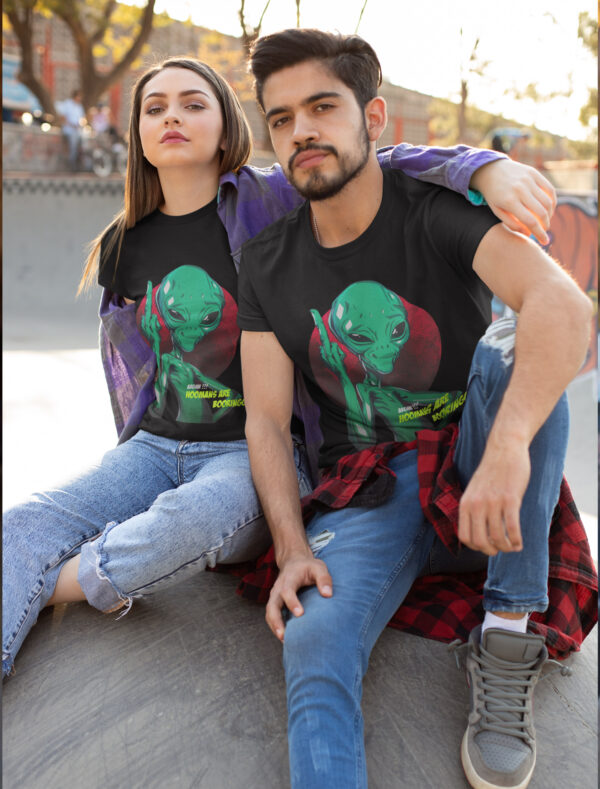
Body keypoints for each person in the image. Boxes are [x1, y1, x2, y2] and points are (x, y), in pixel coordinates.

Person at [3, 55, 557, 682]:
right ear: (138, 134)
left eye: (193, 103)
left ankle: (59, 584)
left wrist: (484, 165)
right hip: (154, 449)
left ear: (227, 122)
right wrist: (126, 458)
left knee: (192, 519)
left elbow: (385, 162)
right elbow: (135, 368)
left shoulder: (269, 196)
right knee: (21, 525)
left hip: (246, 453)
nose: (172, 118)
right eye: (154, 109)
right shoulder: (122, 243)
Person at [237, 29, 596, 789]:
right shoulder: (267, 260)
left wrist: (507, 448)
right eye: (281, 118)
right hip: (370, 489)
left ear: (372, 121)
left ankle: (505, 637)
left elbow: (564, 306)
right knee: (314, 639)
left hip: (481, 474)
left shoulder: (433, 212)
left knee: (511, 345)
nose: (301, 130)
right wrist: (293, 545)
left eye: (322, 107)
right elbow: (265, 420)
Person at [57, 89, 85, 170]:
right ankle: (71, 163)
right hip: (68, 130)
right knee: (73, 143)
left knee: (84, 142)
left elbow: (82, 119)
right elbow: (63, 117)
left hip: (78, 130)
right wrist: (71, 125)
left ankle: (82, 161)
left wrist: (79, 125)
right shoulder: (67, 104)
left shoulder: (79, 107)